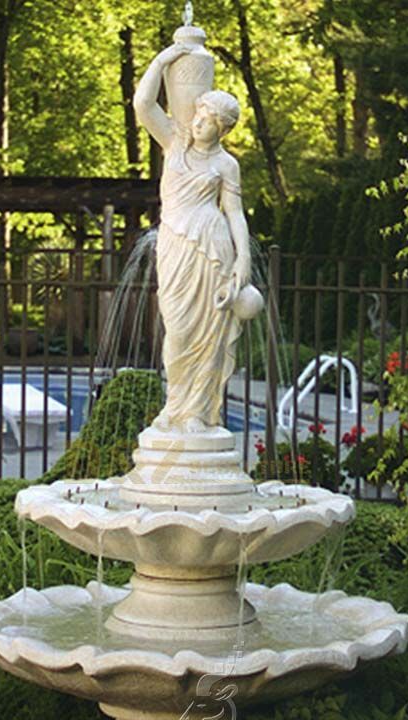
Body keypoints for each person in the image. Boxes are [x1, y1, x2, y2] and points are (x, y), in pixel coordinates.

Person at [133, 43, 251, 434]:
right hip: (175, 245)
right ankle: (175, 407)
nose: (199, 122)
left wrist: (243, 262)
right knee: (179, 329)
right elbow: (142, 104)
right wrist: (163, 60)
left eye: (209, 119)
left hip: (214, 249)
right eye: (198, 114)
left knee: (210, 335)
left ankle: (198, 414)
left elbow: (234, 214)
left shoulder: (226, 164)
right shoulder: (174, 143)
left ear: (223, 127)